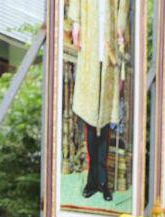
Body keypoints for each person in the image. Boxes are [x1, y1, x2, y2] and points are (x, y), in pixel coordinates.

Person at [68, 0, 130, 202]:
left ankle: (102, 179)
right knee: (90, 117)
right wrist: (76, 23)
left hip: (110, 50)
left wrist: (120, 27)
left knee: (104, 118)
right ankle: (92, 178)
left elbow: (122, 7)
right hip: (90, 48)